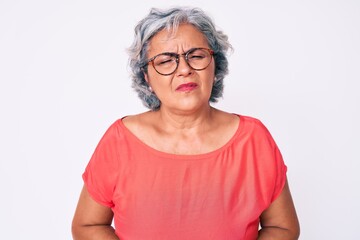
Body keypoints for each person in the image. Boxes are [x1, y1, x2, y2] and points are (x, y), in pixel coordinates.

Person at [72, 6, 300, 240]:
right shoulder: (119, 141)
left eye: (197, 56)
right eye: (165, 61)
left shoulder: (254, 140)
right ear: (147, 77)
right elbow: (88, 225)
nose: (184, 69)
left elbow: (282, 228)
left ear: (215, 65)